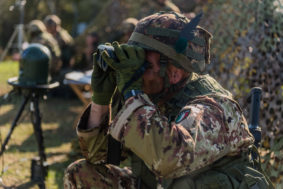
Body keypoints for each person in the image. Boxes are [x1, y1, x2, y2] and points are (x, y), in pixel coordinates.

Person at [64, 12, 273, 189]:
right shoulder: (151, 97)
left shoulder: (213, 107)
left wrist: (132, 91)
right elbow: (99, 157)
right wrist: (101, 100)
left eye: (141, 62)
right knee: (82, 173)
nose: (134, 70)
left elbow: (169, 159)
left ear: (173, 72)